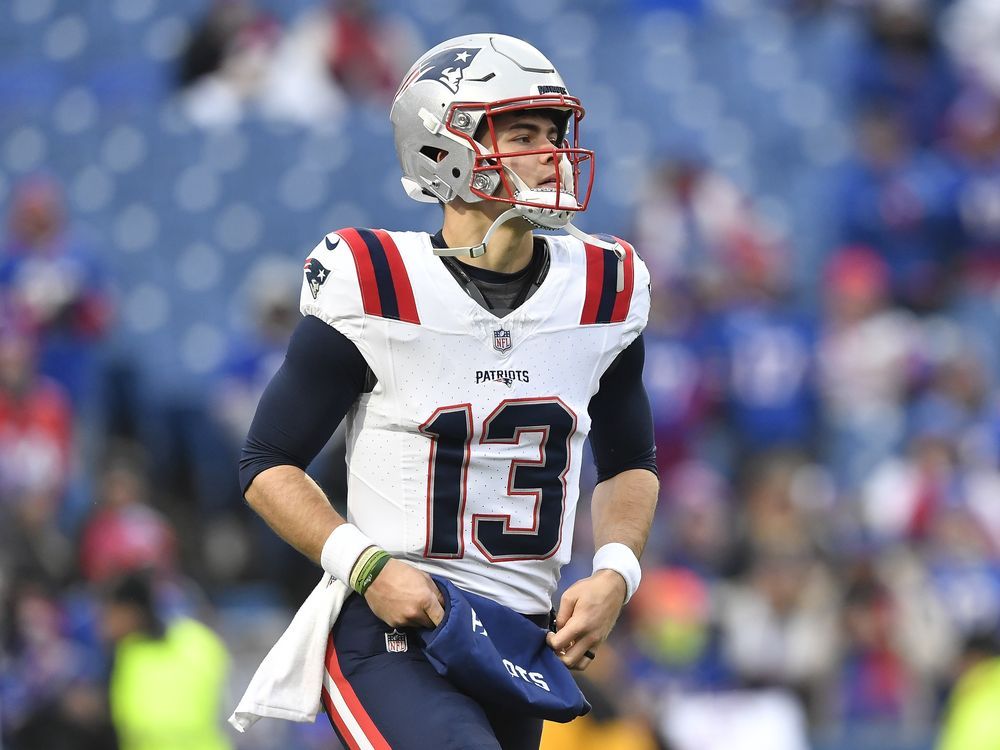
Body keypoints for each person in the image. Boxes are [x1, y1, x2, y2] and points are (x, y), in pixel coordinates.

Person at [239, 33, 659, 749]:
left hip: (520, 644)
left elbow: (629, 463)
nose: (552, 154)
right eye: (522, 135)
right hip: (396, 629)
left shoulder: (602, 288)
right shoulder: (375, 282)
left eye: (553, 134)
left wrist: (617, 570)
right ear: (443, 149)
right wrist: (367, 568)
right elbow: (267, 463)